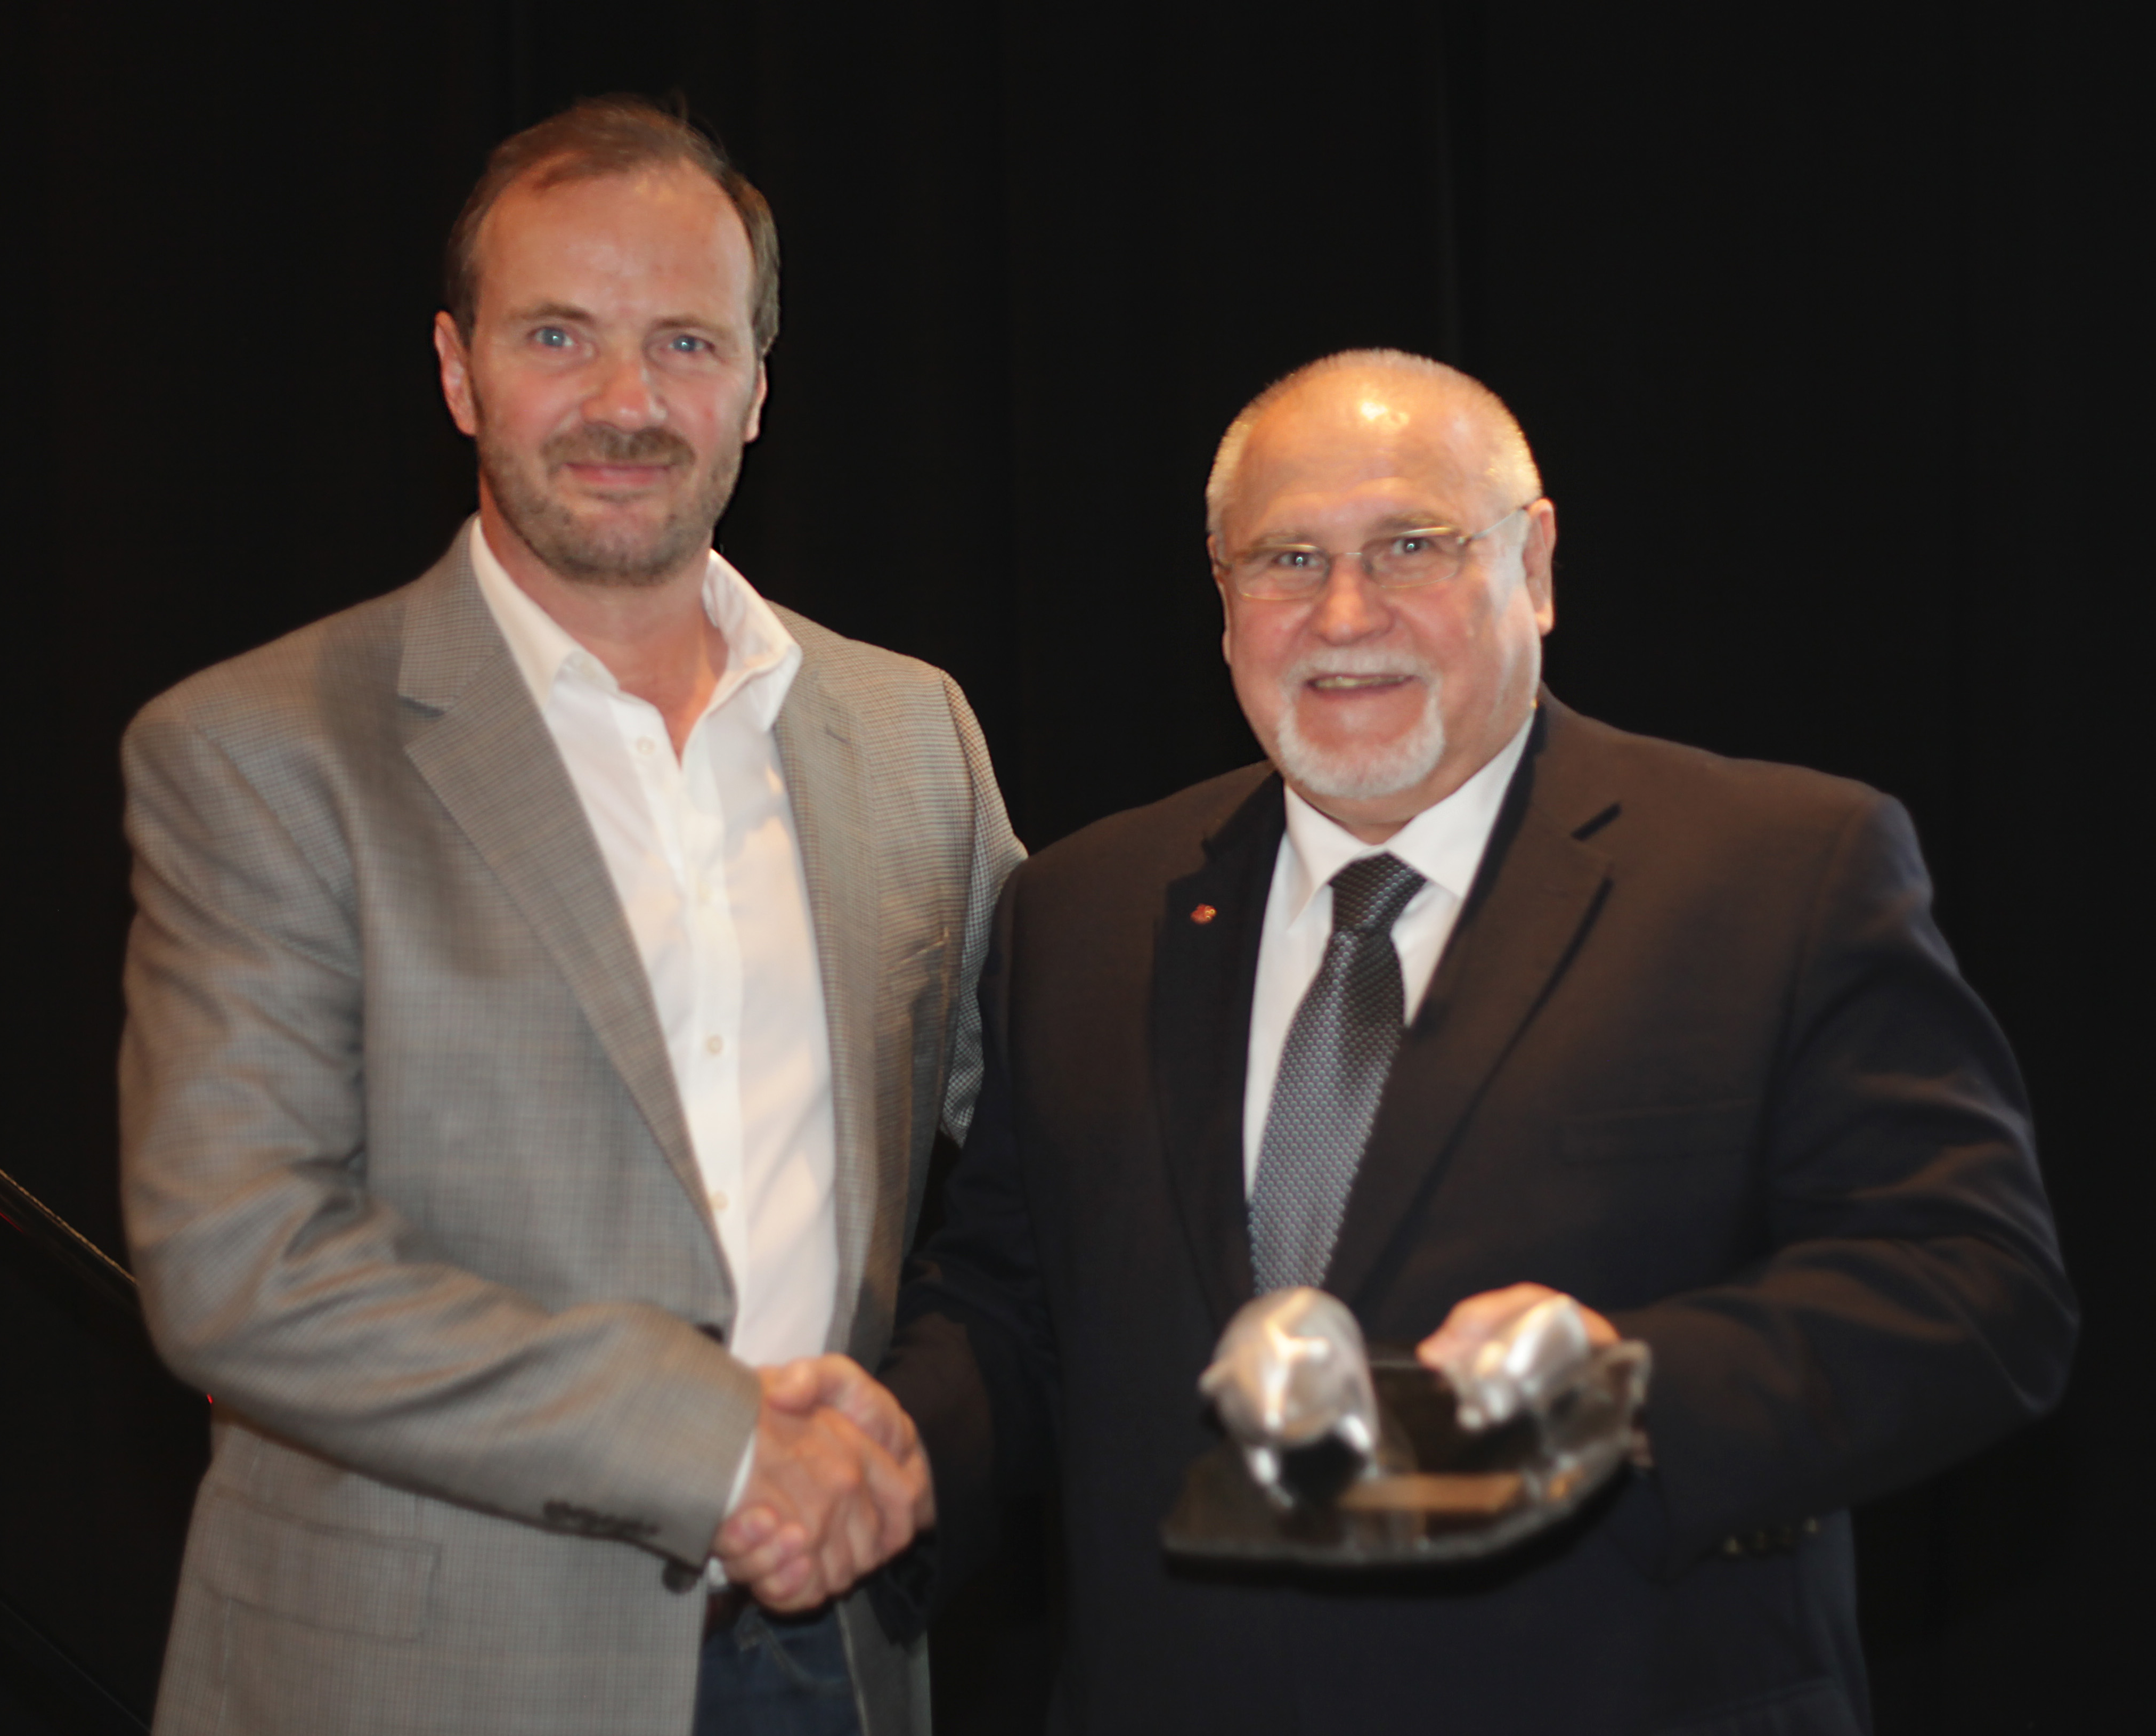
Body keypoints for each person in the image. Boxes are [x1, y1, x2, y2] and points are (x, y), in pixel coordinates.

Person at [847, 350, 2074, 1734]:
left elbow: (1978, 1289)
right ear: (1224, 594)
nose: (1345, 612)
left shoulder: (1778, 872)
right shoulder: (1083, 912)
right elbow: (1017, 1304)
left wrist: (1621, 1389)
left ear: (1534, 564)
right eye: (1289, 559)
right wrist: (887, 1454)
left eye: (1412, 546)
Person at [118, 97, 1017, 1736]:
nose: (626, 401)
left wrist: (920, 1430)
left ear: (758, 384)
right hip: (411, 1677)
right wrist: (717, 1444)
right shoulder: (259, 750)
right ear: (457, 369)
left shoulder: (913, 737)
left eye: (686, 341)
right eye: (558, 335)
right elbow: (242, 1262)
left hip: (834, 1651)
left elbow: (1055, 1147)